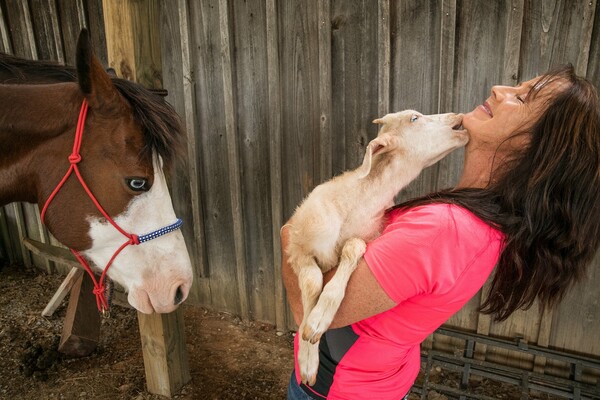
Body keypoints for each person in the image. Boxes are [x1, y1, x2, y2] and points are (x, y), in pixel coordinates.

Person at [281, 64, 600, 400]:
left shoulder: (444, 230)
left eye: (521, 99)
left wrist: (290, 235)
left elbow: (309, 315)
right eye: (515, 86)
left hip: (337, 389)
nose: (497, 89)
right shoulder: (474, 219)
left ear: (535, 145)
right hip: (377, 379)